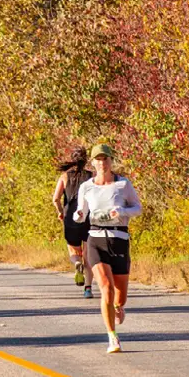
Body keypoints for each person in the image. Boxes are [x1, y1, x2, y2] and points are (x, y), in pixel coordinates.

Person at [74, 143, 142, 354]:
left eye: (106, 159)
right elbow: (80, 211)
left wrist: (122, 210)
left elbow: (137, 208)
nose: (102, 163)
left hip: (119, 238)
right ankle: (112, 337)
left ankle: (118, 307)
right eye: (98, 159)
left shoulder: (123, 185)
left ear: (111, 161)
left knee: (120, 296)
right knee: (106, 288)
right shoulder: (86, 187)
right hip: (95, 239)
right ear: (93, 163)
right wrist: (78, 216)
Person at [52, 146, 95, 298]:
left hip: (70, 218)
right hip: (88, 219)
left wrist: (60, 212)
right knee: (88, 255)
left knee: (73, 250)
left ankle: (77, 263)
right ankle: (88, 289)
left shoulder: (65, 176)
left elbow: (55, 199)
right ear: (86, 160)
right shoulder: (91, 176)